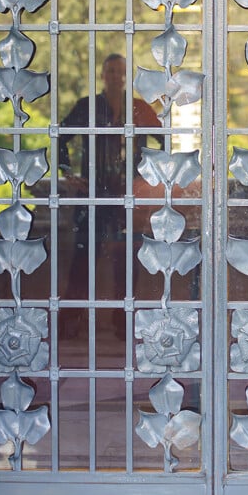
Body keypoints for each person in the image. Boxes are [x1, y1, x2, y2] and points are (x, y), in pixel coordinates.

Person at [58, 53, 162, 338]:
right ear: (102, 76)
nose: (116, 76)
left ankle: (122, 320)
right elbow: (61, 136)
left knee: (126, 260)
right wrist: (67, 171)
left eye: (120, 71)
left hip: (128, 196)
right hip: (92, 193)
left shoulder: (138, 108)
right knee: (83, 258)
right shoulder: (87, 107)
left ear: (126, 76)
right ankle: (69, 321)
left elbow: (164, 141)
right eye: (111, 71)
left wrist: (147, 176)